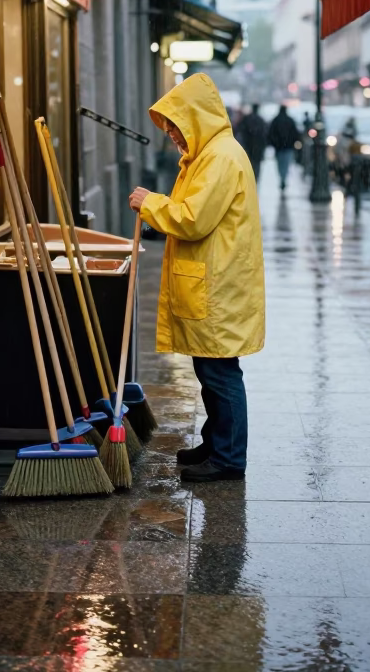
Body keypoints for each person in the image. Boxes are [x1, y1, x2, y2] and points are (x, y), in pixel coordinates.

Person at [129, 73, 265, 482]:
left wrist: (151, 203)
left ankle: (228, 458)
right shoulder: (208, 154)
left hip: (219, 287)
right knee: (210, 372)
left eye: (176, 126)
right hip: (215, 282)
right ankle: (217, 442)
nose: (172, 135)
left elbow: (193, 219)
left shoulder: (219, 157)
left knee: (220, 374)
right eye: (169, 128)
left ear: (195, 119)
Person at [267, 104, 300, 191]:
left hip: (279, 147)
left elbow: (270, 133)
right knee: (286, 164)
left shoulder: (276, 120)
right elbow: (295, 133)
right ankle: (283, 178)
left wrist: (274, 143)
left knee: (280, 164)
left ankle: (282, 178)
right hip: (288, 147)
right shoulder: (290, 120)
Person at [235, 104, 268, 182]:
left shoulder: (246, 119)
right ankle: (255, 181)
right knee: (256, 167)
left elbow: (240, 132)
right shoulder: (261, 120)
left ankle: (248, 181)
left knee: (248, 166)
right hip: (258, 149)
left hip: (248, 147)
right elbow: (264, 136)